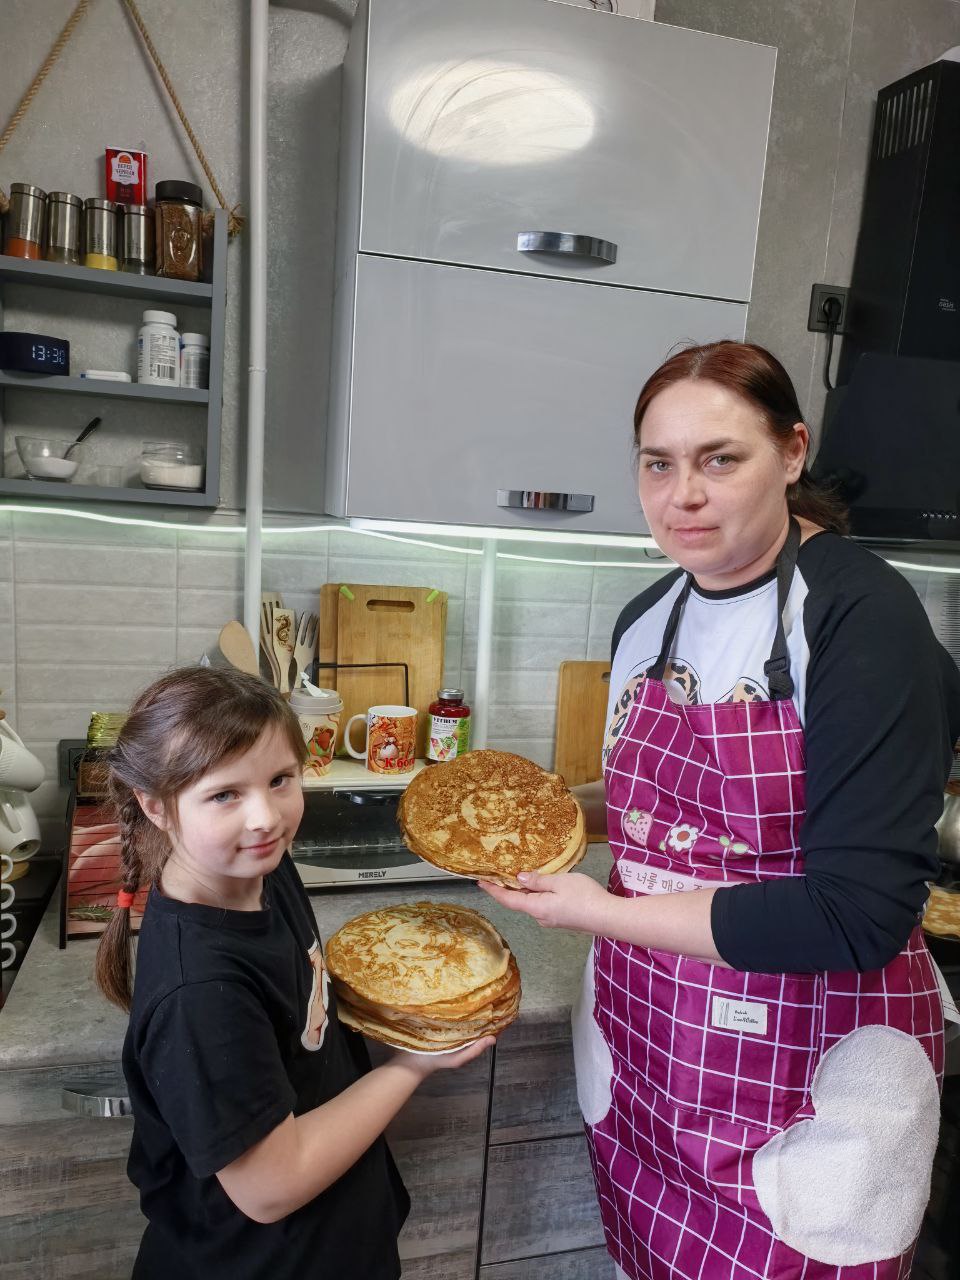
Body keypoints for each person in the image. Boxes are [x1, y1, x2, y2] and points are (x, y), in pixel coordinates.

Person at [481, 340, 960, 1280]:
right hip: (653, 1051)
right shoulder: (647, 618)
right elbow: (660, 809)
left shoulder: (863, 618)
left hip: (806, 1073)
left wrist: (594, 910)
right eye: (658, 463)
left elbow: (855, 913)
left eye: (719, 459)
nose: (682, 495)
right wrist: (540, 809)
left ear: (791, 452)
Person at [94, 666, 492, 1280]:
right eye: (224, 794)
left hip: (331, 1241)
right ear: (156, 807)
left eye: (281, 780)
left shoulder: (262, 872)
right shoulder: (200, 993)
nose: (266, 817)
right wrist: (416, 1060)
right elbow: (270, 1187)